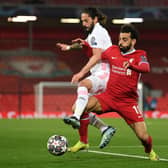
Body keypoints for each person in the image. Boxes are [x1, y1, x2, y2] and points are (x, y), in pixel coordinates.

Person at [64, 24, 159, 161]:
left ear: (133, 41)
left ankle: (150, 152)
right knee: (78, 108)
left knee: (143, 137)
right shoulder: (113, 50)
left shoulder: (140, 54)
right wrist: (85, 45)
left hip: (128, 103)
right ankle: (84, 141)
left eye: (125, 39)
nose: (121, 42)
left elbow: (146, 68)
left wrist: (132, 65)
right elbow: (94, 54)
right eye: (120, 39)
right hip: (108, 97)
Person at [57, 8, 116, 152]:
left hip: (105, 72)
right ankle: (103, 129)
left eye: (86, 20)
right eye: (82, 21)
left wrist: (80, 73)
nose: (83, 23)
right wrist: (70, 47)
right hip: (100, 72)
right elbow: (84, 44)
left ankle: (76, 118)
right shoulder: (94, 33)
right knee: (77, 107)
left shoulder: (98, 32)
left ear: (95, 19)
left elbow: (96, 56)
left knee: (82, 84)